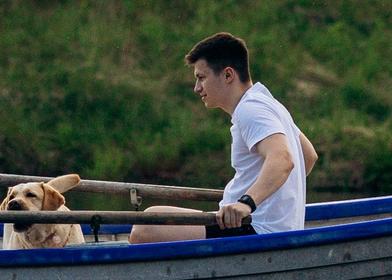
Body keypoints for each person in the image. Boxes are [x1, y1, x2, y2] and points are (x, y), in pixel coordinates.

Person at [131, 32, 315, 243]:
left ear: (228, 75)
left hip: (256, 231)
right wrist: (273, 197)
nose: (196, 88)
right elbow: (308, 157)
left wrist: (247, 203)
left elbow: (283, 159)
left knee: (145, 228)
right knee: (151, 216)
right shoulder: (269, 103)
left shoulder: (251, 109)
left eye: (201, 78)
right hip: (263, 227)